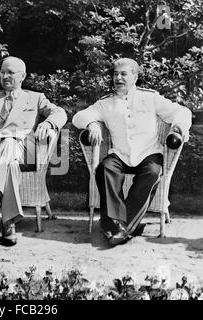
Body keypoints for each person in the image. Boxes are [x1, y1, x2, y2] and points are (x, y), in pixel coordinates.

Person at [72, 58, 192, 246]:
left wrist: (178, 127)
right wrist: (92, 124)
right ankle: (121, 226)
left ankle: (119, 226)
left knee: (153, 172)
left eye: (123, 74)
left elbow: (181, 112)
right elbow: (79, 116)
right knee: (105, 168)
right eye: (115, 74)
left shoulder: (150, 97)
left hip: (148, 153)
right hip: (120, 154)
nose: (118, 78)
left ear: (135, 77)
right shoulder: (106, 103)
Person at [0, 56, 67, 246]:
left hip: (27, 151)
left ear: (23, 76)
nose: (5, 76)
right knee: (10, 161)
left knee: (10, 142)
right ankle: (8, 224)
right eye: (2, 72)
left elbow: (60, 113)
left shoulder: (36, 97)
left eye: (11, 72)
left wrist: (48, 122)